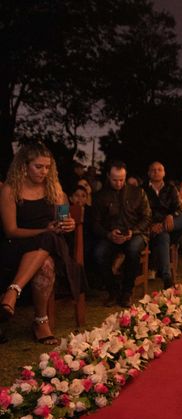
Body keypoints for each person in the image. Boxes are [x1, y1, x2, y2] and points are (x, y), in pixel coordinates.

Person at [0, 143, 82, 344]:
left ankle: (13, 292)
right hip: (17, 244)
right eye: (38, 166)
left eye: (47, 167)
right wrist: (45, 230)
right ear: (24, 166)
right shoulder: (10, 190)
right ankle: (40, 321)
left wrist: (68, 224)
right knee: (46, 245)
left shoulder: (54, 189)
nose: (44, 171)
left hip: (52, 248)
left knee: (48, 249)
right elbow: (11, 230)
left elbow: (62, 221)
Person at [93, 160, 151, 308]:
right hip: (111, 235)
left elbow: (147, 218)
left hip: (136, 233)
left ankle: (127, 292)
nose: (118, 183)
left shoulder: (138, 192)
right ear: (108, 176)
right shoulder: (100, 196)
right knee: (99, 253)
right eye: (114, 180)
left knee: (132, 249)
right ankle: (113, 291)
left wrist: (134, 231)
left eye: (121, 180)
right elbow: (95, 223)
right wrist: (108, 234)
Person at [143, 162, 182, 288]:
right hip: (152, 231)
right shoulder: (143, 190)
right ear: (149, 173)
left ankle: (167, 277)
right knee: (164, 236)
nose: (156, 172)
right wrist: (153, 225)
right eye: (153, 170)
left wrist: (172, 215)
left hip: (169, 226)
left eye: (159, 169)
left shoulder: (171, 188)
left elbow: (179, 209)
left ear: (164, 173)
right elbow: (141, 213)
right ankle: (167, 279)